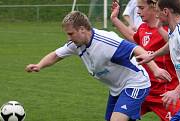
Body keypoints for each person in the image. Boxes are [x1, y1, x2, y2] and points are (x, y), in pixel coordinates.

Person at [25, 11, 171, 121]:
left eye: (71, 33)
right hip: (116, 89)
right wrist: (39, 65)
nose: (69, 38)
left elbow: (137, 49)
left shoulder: (106, 41)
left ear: (82, 29)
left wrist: (156, 69)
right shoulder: (76, 44)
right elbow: (56, 55)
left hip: (135, 83)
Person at [136, 0, 180, 120]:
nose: (156, 15)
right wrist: (152, 56)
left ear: (166, 12)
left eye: (158, 12)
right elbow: (171, 44)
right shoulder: (174, 29)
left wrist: (176, 92)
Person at [110, 0, 180, 121]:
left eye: (141, 8)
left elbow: (176, 45)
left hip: (164, 93)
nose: (138, 12)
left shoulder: (169, 29)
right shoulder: (143, 28)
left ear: (154, 8)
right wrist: (115, 19)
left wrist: (158, 27)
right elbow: (133, 38)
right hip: (141, 89)